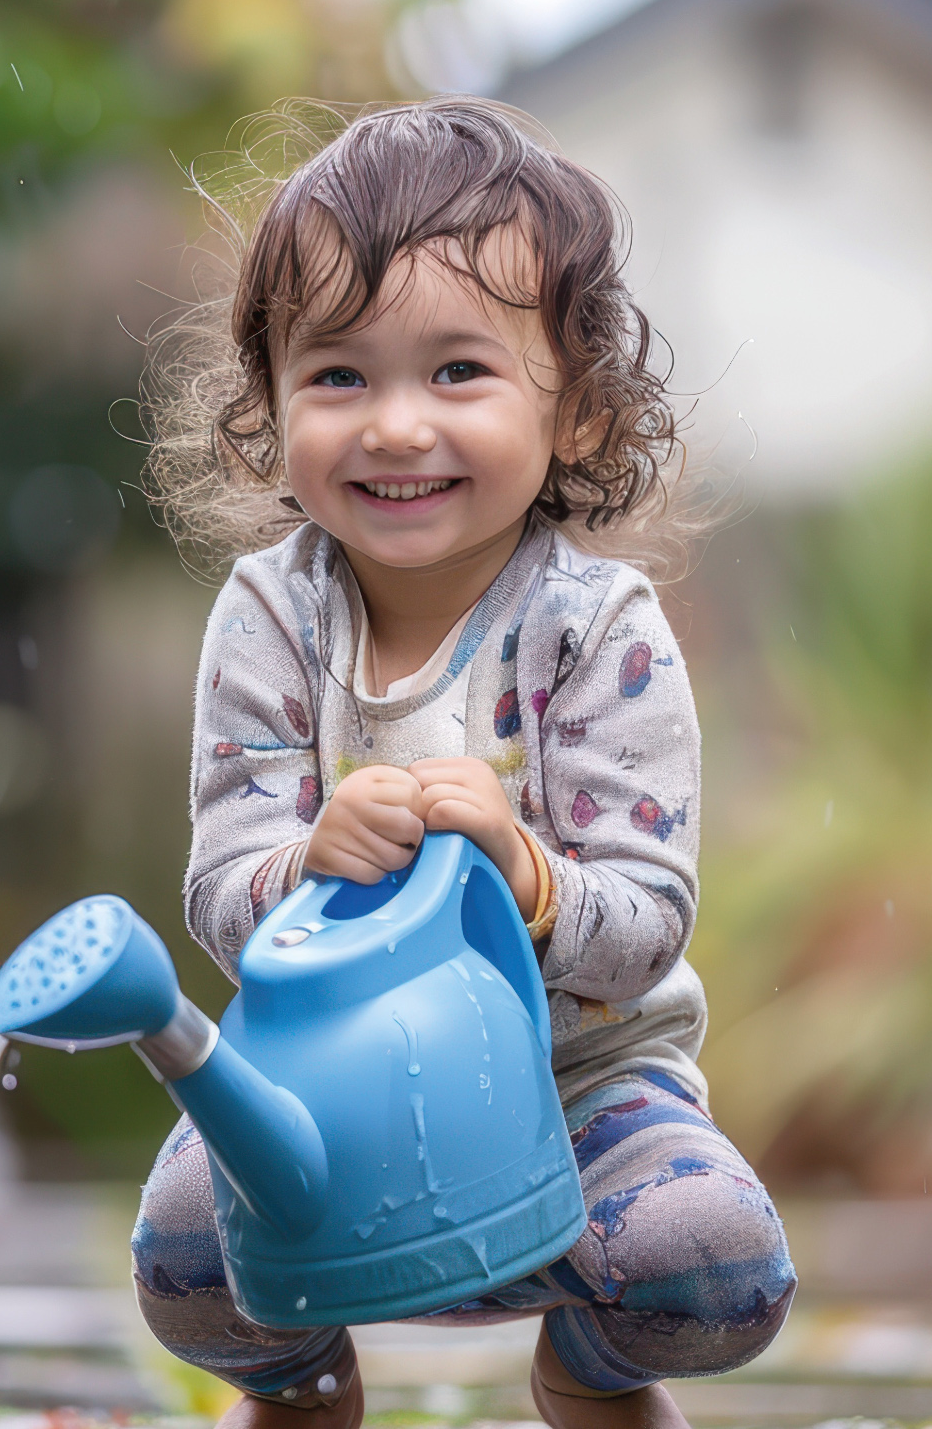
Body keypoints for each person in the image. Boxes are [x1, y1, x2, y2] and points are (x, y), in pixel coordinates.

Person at [133, 96, 795, 1429]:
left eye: (458, 372)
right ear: (268, 407)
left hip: (581, 1087)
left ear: (582, 414)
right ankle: (304, 1379)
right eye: (338, 375)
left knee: (712, 1263)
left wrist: (527, 872)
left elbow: (648, 928)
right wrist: (300, 863)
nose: (392, 424)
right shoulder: (272, 617)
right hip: (325, 1085)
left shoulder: (597, 629)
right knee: (188, 1253)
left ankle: (592, 1363)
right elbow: (218, 890)